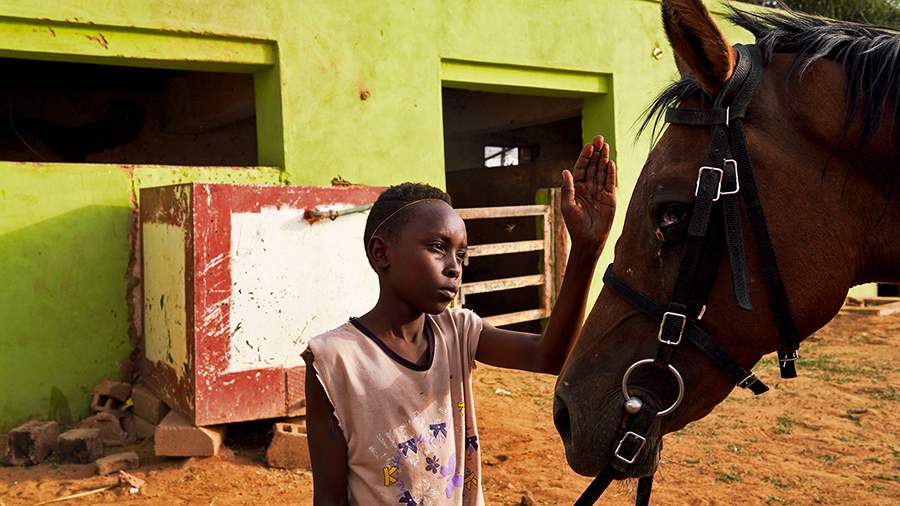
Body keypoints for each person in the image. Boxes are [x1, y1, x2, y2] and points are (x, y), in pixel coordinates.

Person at [303, 135, 617, 505]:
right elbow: (329, 496)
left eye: (462, 254)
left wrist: (585, 249)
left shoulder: (459, 332)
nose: (454, 267)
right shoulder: (334, 360)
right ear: (381, 252)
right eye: (438, 247)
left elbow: (548, 356)